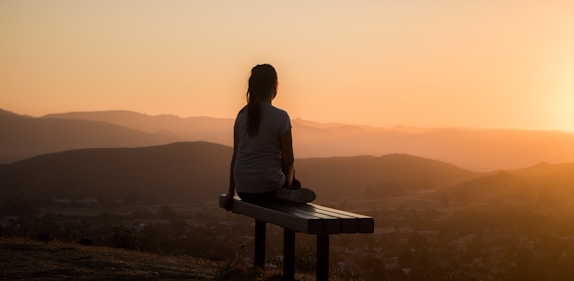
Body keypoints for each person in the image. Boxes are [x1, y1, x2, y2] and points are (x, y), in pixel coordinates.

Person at [222, 64, 315, 210]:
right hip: (268, 188)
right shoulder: (280, 117)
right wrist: (289, 184)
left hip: (244, 190)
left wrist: (230, 193)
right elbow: (289, 161)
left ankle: (286, 190)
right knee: (295, 181)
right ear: (274, 86)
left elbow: (236, 156)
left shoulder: (241, 115)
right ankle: (287, 191)